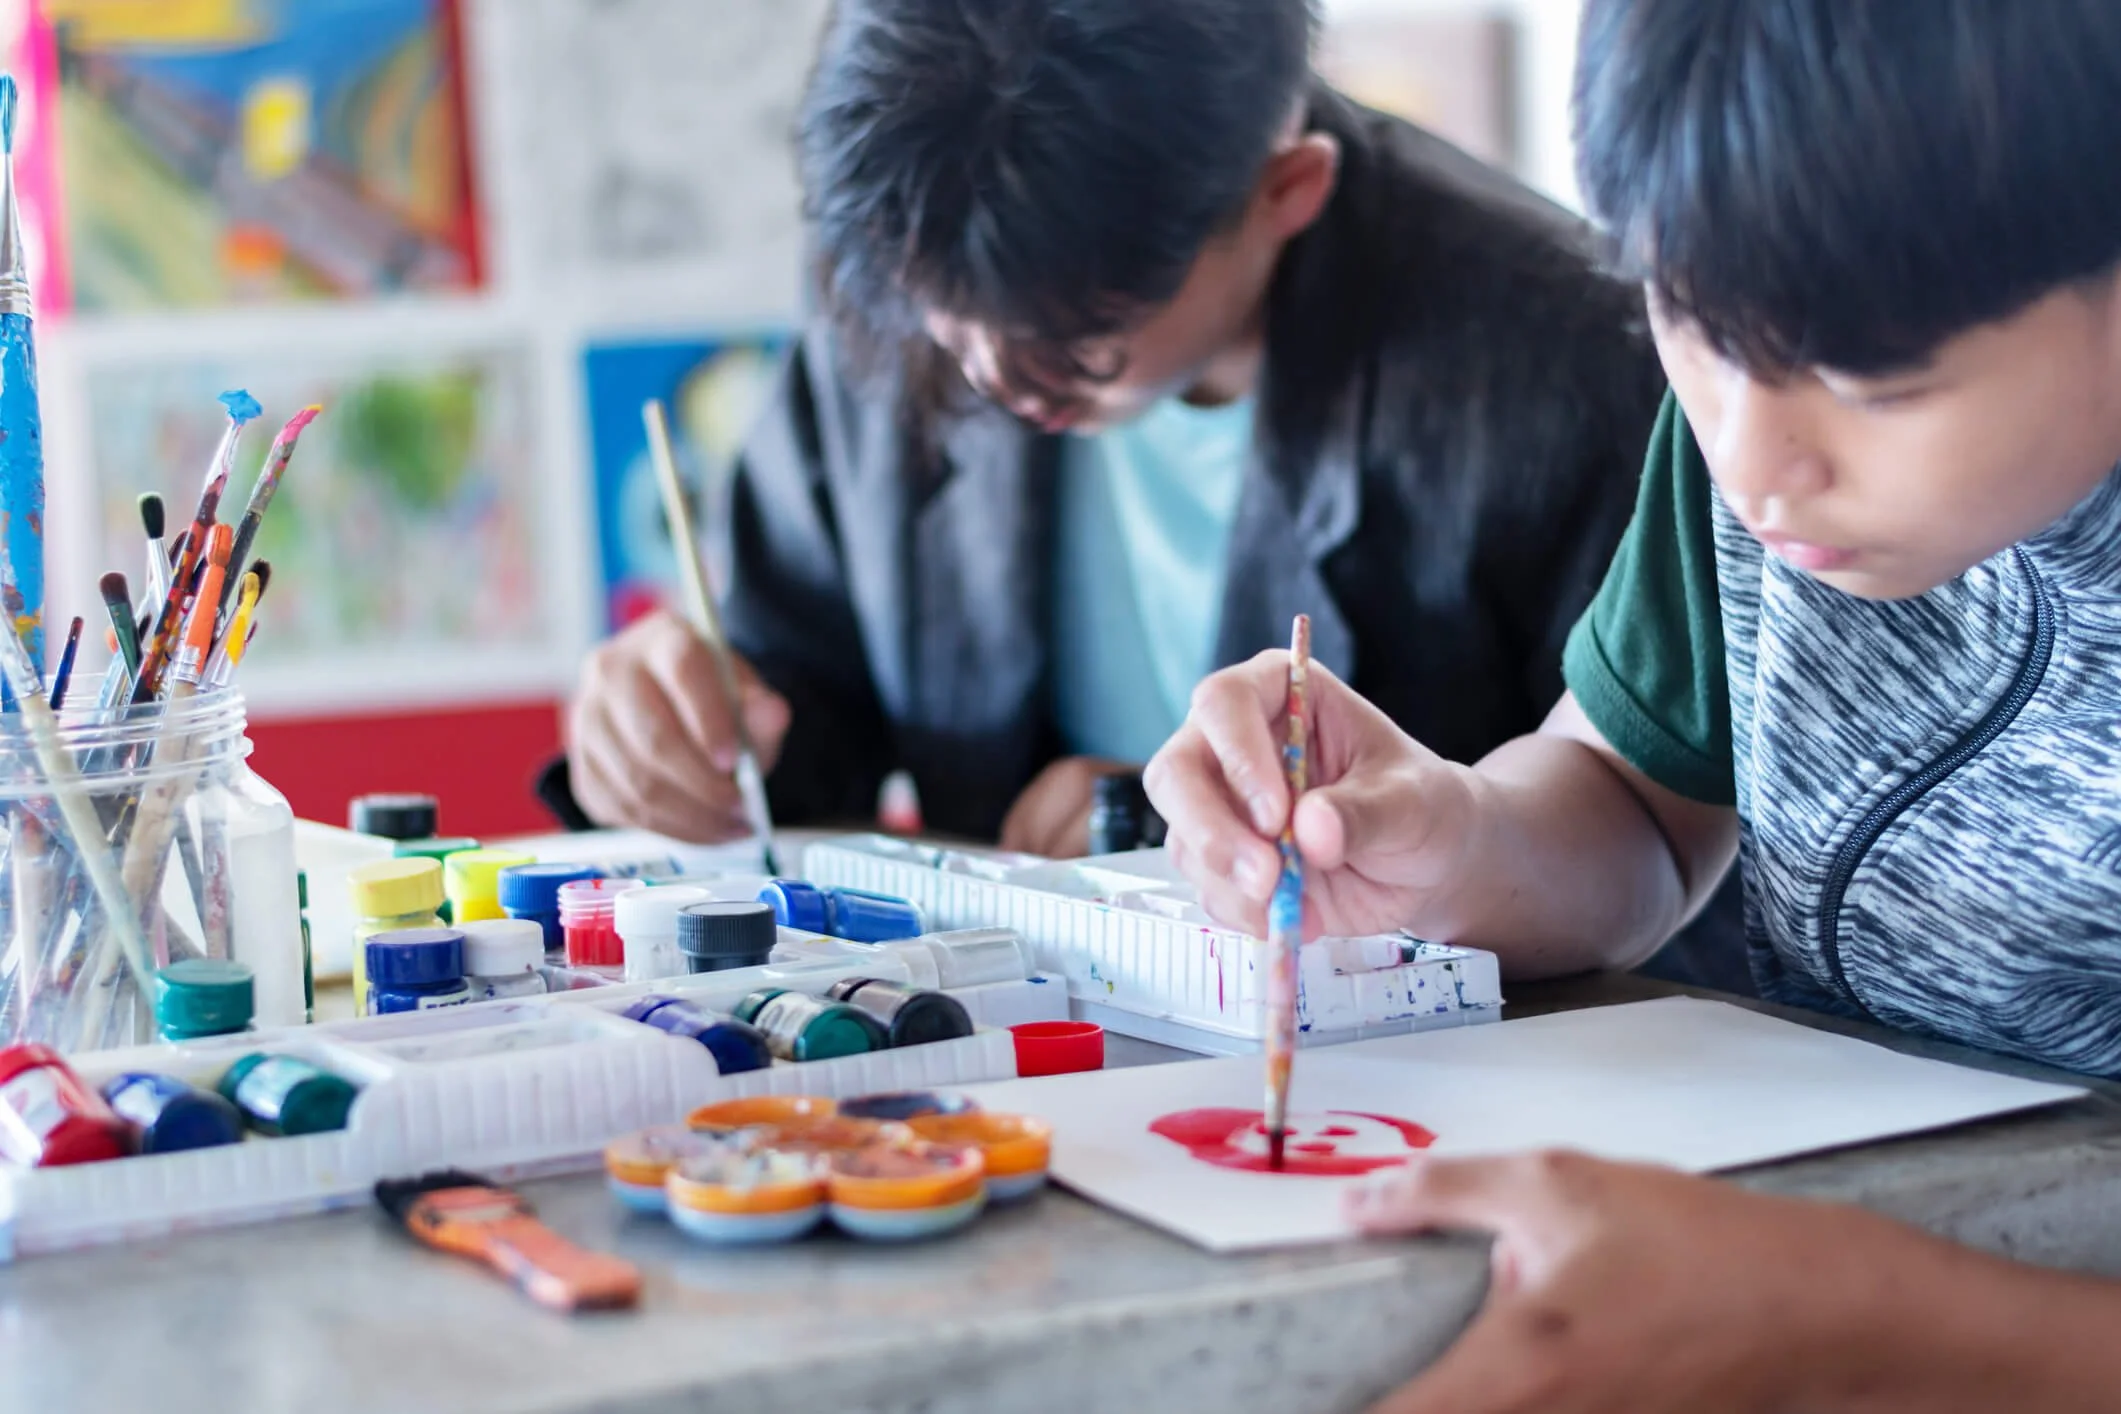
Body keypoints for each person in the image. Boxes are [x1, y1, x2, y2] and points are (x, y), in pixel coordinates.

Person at [1147, 0, 2121, 1406]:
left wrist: (1851, 1307)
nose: (1758, 464)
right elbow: (1634, 808)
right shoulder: (1755, 407)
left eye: (1873, 381)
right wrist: (1448, 833)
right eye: (1689, 319)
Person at [559, 0, 1667, 875]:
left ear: (1287, 190)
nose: (986, 370)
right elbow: (807, 701)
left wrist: (1151, 833)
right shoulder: (925, 253)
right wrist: (683, 727)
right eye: (950, 324)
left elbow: (1638, 848)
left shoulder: (1563, 362)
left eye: (1077, 344)